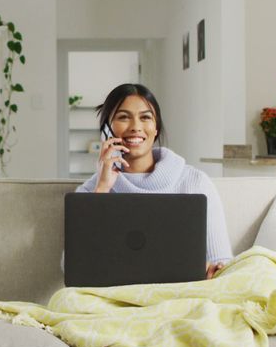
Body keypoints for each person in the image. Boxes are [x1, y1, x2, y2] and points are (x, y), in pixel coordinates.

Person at [77, 83, 232, 279]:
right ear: (107, 130)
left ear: (156, 128)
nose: (135, 127)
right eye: (123, 117)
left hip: (179, 296)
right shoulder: (91, 191)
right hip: (114, 297)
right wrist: (102, 190)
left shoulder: (195, 182)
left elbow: (223, 262)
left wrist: (214, 269)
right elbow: (73, 266)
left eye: (145, 117)